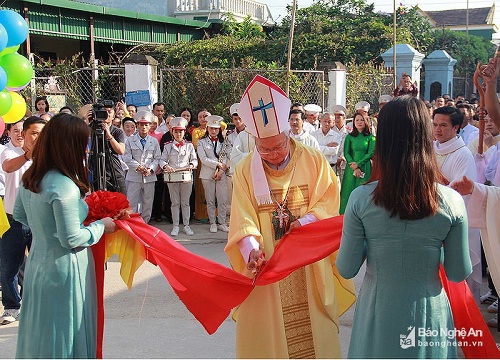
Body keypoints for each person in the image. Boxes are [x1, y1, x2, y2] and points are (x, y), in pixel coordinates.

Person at [226, 75, 354, 358]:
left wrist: (305, 222)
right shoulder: (246, 169)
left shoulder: (313, 159)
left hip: (307, 260)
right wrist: (251, 251)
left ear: (287, 133)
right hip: (268, 264)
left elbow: (329, 202)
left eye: (278, 146)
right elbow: (243, 217)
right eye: (264, 149)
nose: (272, 154)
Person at [337, 95, 472, 358]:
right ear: (426, 137)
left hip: (377, 314)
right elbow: (458, 272)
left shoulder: (361, 199)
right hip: (429, 316)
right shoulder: (451, 201)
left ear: (383, 140)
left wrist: (369, 238)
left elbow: (346, 267)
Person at [13, 113, 116, 358]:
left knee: (41, 333)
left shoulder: (31, 179)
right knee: (65, 334)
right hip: (65, 271)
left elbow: (20, 215)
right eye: (83, 144)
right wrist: (102, 225)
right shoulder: (64, 185)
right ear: (69, 146)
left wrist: (45, 228)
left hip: (38, 264)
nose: (86, 150)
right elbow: (71, 238)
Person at [0, 117, 46, 326]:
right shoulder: (9, 152)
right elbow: (9, 167)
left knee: (38, 266)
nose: (20, 134)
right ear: (9, 133)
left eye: (23, 131)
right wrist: (28, 154)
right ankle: (11, 306)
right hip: (13, 220)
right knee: (9, 267)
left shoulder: (47, 155)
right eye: (15, 131)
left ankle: (34, 304)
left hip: (38, 218)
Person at [160, 117, 197, 236]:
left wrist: (191, 165)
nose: (178, 134)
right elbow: (162, 160)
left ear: (184, 132)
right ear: (172, 132)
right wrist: (166, 166)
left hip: (186, 177)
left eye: (180, 131)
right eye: (176, 131)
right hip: (172, 177)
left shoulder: (189, 146)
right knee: (175, 202)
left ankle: (186, 225)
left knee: (185, 202)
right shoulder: (167, 146)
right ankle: (175, 225)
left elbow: (195, 160)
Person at [123, 111, 161, 224]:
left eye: (146, 125)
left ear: (150, 126)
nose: (144, 127)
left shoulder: (153, 141)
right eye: (141, 124)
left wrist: (150, 168)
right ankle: (131, 224)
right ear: (137, 125)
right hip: (134, 176)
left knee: (148, 202)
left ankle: (145, 223)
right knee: (132, 202)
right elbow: (127, 157)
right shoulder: (130, 140)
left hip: (149, 176)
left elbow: (157, 158)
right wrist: (138, 167)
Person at [197, 115, 229, 233]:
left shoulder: (224, 141)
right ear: (207, 128)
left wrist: (221, 170)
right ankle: (212, 223)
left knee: (222, 199)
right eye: (211, 128)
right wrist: (217, 164)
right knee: (210, 200)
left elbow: (226, 156)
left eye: (216, 128)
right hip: (207, 174)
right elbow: (203, 159)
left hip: (221, 174)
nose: (214, 131)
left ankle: (222, 222)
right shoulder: (201, 142)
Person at [339, 110, 375, 214]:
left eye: (362, 120)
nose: (359, 122)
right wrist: (354, 166)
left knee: (364, 191)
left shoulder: (371, 138)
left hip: (365, 167)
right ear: (353, 122)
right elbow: (346, 153)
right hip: (351, 169)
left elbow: (370, 153)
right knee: (348, 191)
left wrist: (359, 164)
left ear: (366, 122)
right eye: (357, 120)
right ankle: (344, 215)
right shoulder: (349, 137)